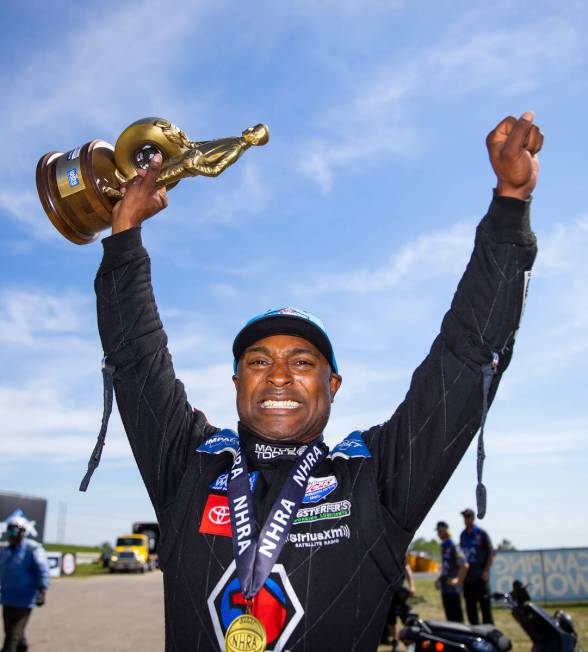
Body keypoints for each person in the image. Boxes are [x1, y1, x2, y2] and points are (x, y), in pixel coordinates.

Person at [87, 112, 541, 650]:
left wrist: (510, 207)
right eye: (258, 361)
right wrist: (124, 238)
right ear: (236, 382)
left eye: (302, 362)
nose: (278, 374)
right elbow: (138, 359)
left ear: (334, 385)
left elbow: (465, 361)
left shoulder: (376, 479)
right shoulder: (190, 464)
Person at [0, 516, 50, 652]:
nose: (11, 535)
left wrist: (42, 590)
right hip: (7, 598)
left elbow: (42, 569)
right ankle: (23, 647)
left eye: (14, 531)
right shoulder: (5, 551)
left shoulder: (32, 549)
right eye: (9, 531)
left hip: (24, 600)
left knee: (11, 636)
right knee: (11, 631)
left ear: (23, 532)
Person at [459, 508, 494, 624]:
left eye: (468, 516)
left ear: (473, 518)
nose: (466, 519)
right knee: (471, 609)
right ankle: (475, 633)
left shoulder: (481, 534)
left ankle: (489, 631)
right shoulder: (463, 535)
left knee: (485, 608)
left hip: (480, 577)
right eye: (464, 517)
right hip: (467, 579)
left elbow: (491, 553)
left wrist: (486, 571)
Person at [435, 521, 468, 622]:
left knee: (457, 620)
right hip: (445, 588)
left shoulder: (452, 546)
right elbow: (447, 567)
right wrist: (439, 580)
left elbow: (465, 565)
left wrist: (458, 581)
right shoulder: (444, 545)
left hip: (453, 590)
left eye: (441, 531)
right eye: (438, 531)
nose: (439, 533)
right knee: (450, 619)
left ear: (446, 530)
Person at [383, 559, 415, 650]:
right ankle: (395, 642)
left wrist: (411, 586)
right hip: (388, 593)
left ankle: (410, 640)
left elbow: (407, 569)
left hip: (400, 594)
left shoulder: (399, 554)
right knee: (391, 620)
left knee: (408, 617)